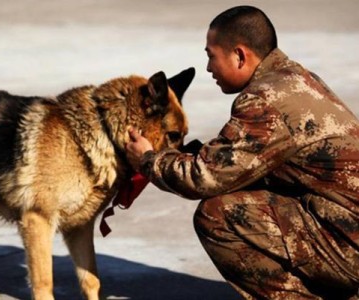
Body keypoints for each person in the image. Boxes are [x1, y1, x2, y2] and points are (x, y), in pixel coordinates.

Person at [126, 5, 359, 300]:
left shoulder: (264, 99)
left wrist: (147, 159)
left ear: (239, 55)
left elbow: (203, 178)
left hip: (347, 245)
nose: (209, 68)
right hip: (343, 228)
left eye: (211, 56)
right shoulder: (295, 78)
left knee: (218, 214)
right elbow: (243, 161)